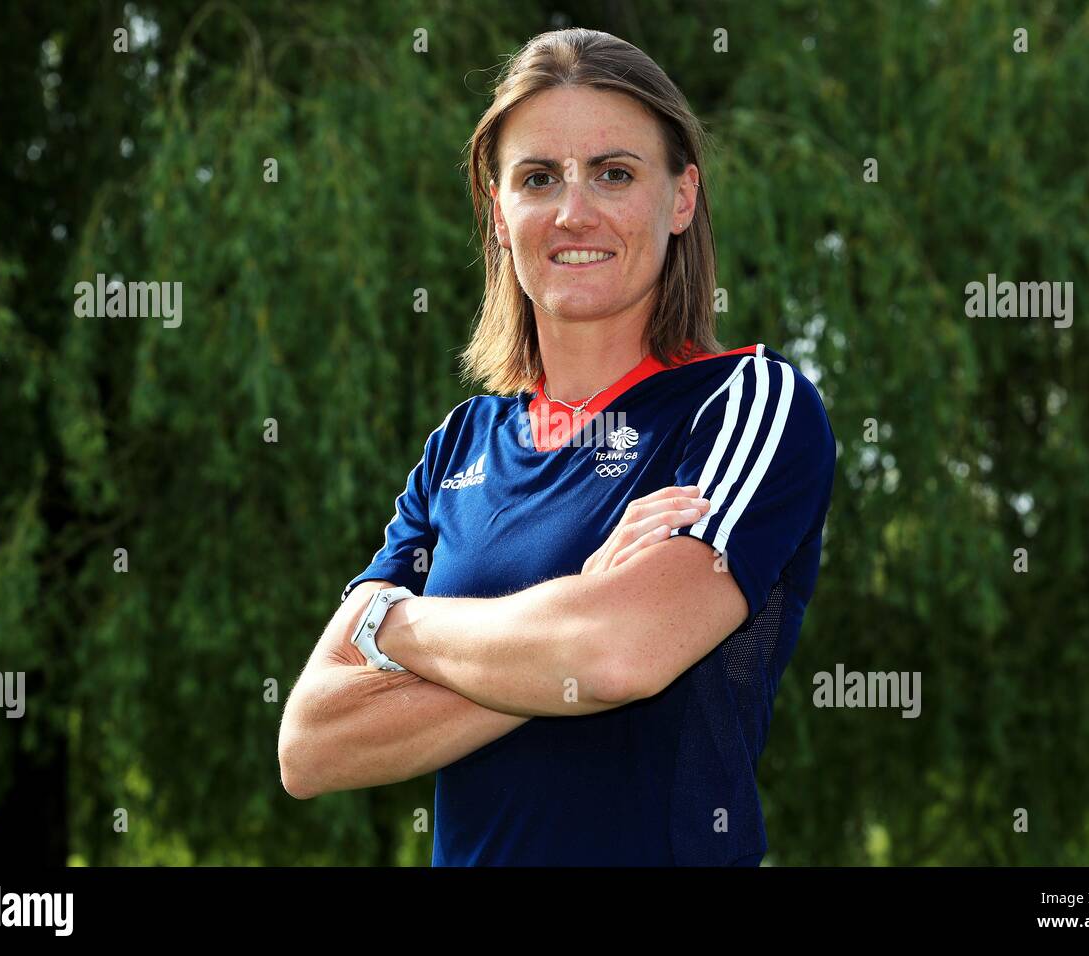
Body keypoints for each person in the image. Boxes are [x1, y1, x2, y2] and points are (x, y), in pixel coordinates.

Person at [278, 27, 836, 867]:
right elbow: (313, 744)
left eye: (615, 173)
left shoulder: (747, 406)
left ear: (681, 198)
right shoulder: (460, 446)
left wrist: (396, 625)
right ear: (499, 214)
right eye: (539, 178)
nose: (575, 211)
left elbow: (620, 654)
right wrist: (578, 604)